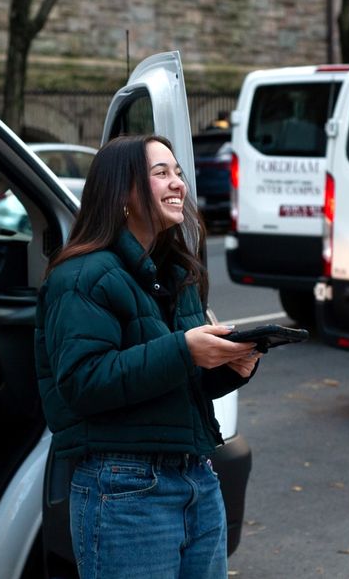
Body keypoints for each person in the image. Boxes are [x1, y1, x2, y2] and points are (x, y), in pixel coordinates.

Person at [35, 134, 260, 579]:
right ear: (123, 192)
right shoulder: (82, 276)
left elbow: (175, 383)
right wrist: (183, 350)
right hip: (124, 488)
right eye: (161, 173)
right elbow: (83, 382)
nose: (178, 183)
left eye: (178, 172)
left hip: (196, 476)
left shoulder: (176, 272)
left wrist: (229, 368)